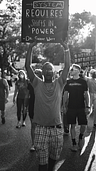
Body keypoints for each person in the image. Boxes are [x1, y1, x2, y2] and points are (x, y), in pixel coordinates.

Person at [25, 40, 70, 171]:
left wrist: (65, 48)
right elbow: (28, 67)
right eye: (45, 69)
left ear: (54, 72)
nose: (48, 71)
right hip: (40, 129)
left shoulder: (60, 82)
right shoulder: (36, 83)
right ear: (42, 73)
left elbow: (67, 67)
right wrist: (30, 48)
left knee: (53, 160)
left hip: (57, 129)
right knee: (42, 162)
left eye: (50, 69)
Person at [63, 64, 91, 152]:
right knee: (72, 125)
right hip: (71, 107)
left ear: (78, 71)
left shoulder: (83, 82)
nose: (71, 71)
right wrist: (64, 106)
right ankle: (74, 143)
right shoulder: (68, 82)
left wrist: (88, 106)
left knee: (83, 125)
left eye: (73, 69)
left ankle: (80, 137)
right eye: (71, 69)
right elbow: (65, 95)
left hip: (81, 107)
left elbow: (87, 94)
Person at [28, 69, 43, 152]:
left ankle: (41, 142)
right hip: (32, 106)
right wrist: (25, 107)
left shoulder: (44, 84)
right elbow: (27, 95)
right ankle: (33, 144)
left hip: (42, 107)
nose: (35, 75)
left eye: (37, 73)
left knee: (41, 126)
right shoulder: (30, 84)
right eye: (35, 73)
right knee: (33, 125)